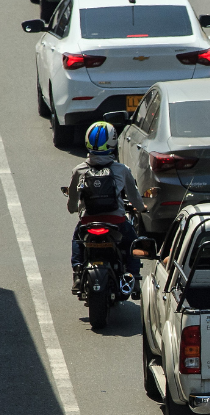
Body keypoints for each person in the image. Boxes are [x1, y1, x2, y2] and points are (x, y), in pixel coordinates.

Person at [66, 122, 146, 297]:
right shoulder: (121, 169)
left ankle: (78, 272)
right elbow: (134, 197)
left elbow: (73, 199)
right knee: (133, 242)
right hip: (116, 222)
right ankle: (133, 277)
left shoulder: (79, 170)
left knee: (77, 240)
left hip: (88, 222)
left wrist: (72, 208)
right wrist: (142, 208)